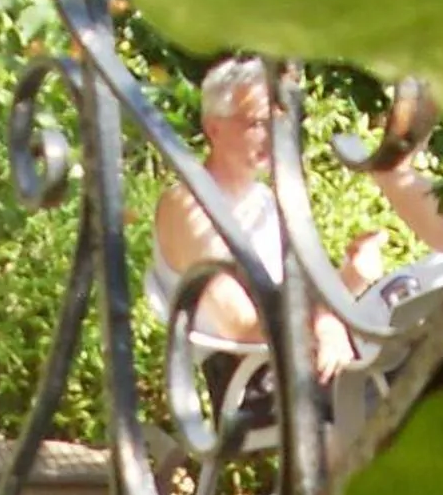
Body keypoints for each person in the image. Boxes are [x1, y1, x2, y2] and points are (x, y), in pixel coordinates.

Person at [148, 56, 385, 384]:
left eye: (279, 123)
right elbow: (243, 326)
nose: (272, 137)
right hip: (255, 387)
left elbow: (306, 299)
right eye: (258, 123)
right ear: (213, 127)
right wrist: (332, 308)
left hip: (302, 370)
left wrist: (348, 281)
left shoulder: (265, 201)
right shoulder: (189, 205)